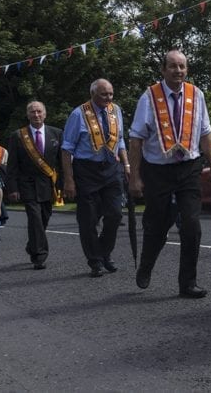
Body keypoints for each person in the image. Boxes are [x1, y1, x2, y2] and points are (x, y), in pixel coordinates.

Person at [129, 50, 211, 298]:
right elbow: (136, 139)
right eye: (172, 66)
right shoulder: (149, 97)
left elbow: (205, 134)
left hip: (188, 168)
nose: (178, 71)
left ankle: (187, 283)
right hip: (157, 169)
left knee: (192, 225)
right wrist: (134, 177)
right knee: (157, 225)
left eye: (182, 67)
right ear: (163, 70)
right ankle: (146, 266)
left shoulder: (196, 95)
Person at [62, 79, 128, 278]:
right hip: (87, 170)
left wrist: (126, 164)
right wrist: (69, 179)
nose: (108, 98)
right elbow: (66, 149)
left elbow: (121, 140)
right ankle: (96, 260)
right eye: (103, 94)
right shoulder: (78, 114)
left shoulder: (115, 110)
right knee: (89, 219)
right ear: (93, 94)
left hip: (111, 168)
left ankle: (104, 251)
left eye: (110, 94)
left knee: (115, 214)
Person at [7, 101, 63, 270]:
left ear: (45, 114)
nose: (36, 115)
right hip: (27, 184)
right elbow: (12, 165)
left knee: (44, 217)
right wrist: (13, 188)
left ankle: (33, 244)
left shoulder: (56, 133)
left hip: (48, 183)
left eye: (39, 112)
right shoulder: (18, 136)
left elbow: (61, 161)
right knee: (35, 217)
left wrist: (64, 183)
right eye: (32, 112)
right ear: (28, 115)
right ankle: (39, 256)